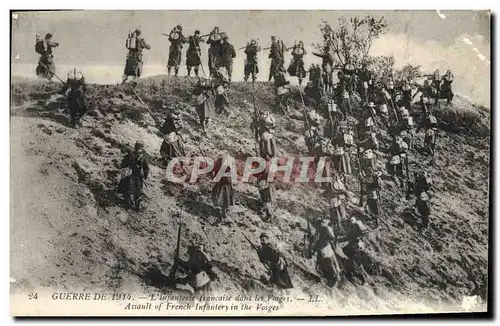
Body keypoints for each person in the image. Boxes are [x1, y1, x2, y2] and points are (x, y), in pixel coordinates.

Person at [118, 141, 150, 211]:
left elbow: (123, 164)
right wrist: (145, 176)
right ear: (142, 148)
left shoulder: (130, 154)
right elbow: (146, 168)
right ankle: (136, 207)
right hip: (137, 176)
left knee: (127, 188)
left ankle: (127, 203)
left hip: (129, 174)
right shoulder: (143, 157)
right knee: (137, 191)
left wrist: (124, 167)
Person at [311, 218, 341, 287]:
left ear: (321, 223)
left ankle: (334, 278)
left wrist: (323, 240)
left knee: (329, 262)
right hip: (323, 247)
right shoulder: (319, 229)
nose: (316, 226)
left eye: (317, 225)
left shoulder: (326, 228)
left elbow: (332, 238)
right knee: (325, 262)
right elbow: (315, 238)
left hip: (326, 247)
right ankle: (330, 276)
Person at [211, 152, 235, 224]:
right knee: (224, 198)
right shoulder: (222, 162)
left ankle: (223, 212)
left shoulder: (223, 163)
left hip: (224, 183)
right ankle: (223, 211)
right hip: (224, 182)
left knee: (224, 198)